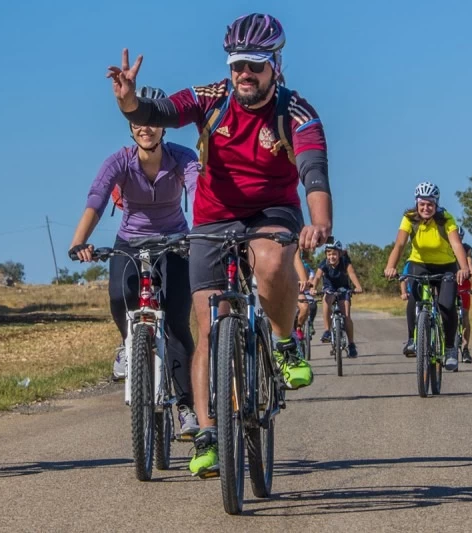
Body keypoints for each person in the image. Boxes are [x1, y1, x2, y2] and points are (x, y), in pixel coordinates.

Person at [106, 12, 332, 476]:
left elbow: (314, 172)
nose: (244, 74)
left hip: (272, 212)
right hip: (212, 217)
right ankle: (207, 432)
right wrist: (130, 102)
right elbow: (163, 112)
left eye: (255, 64)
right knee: (209, 326)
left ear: (276, 65)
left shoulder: (297, 113)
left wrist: (319, 223)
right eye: (236, 65)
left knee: (271, 263)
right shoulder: (211, 99)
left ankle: (286, 343)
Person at [69, 86, 200, 439]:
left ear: (163, 127)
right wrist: (79, 240)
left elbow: (199, 187)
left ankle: (187, 407)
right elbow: (97, 199)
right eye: (138, 122)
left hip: (175, 243)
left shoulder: (183, 157)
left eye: (152, 121)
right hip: (130, 242)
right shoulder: (119, 161)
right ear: (130, 127)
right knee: (118, 297)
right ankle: (129, 344)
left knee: (175, 324)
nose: (146, 128)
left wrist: (202, 233)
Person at [384, 182, 470, 370]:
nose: (426, 208)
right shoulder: (409, 218)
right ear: (416, 203)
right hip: (419, 264)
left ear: (436, 203)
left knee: (447, 305)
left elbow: (456, 245)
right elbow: (399, 244)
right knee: (413, 298)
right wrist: (391, 266)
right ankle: (412, 340)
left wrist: (463, 267)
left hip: (446, 266)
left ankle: (449, 349)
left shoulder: (446, 218)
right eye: (422, 204)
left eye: (430, 204)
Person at [311, 241, 363, 357]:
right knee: (327, 298)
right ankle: (327, 331)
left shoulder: (345, 262)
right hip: (329, 287)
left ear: (339, 254)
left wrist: (358, 286)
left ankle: (351, 344)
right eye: (329, 254)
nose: (331, 257)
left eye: (334, 254)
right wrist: (313, 288)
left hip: (343, 288)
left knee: (346, 315)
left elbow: (352, 273)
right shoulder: (324, 263)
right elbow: (317, 276)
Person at [456, 228, 472, 363]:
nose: (458, 239)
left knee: (465, 315)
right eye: (456, 236)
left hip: (464, 285)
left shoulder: (466, 249)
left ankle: (465, 349)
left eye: (460, 237)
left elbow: (470, 266)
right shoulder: (446, 248)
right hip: (449, 283)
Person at [294, 251, 317, 342]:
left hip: (302, 291)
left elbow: (312, 279)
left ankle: (300, 327)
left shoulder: (308, 269)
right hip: (289, 290)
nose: (303, 262)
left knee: (311, 305)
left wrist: (311, 285)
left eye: (304, 259)